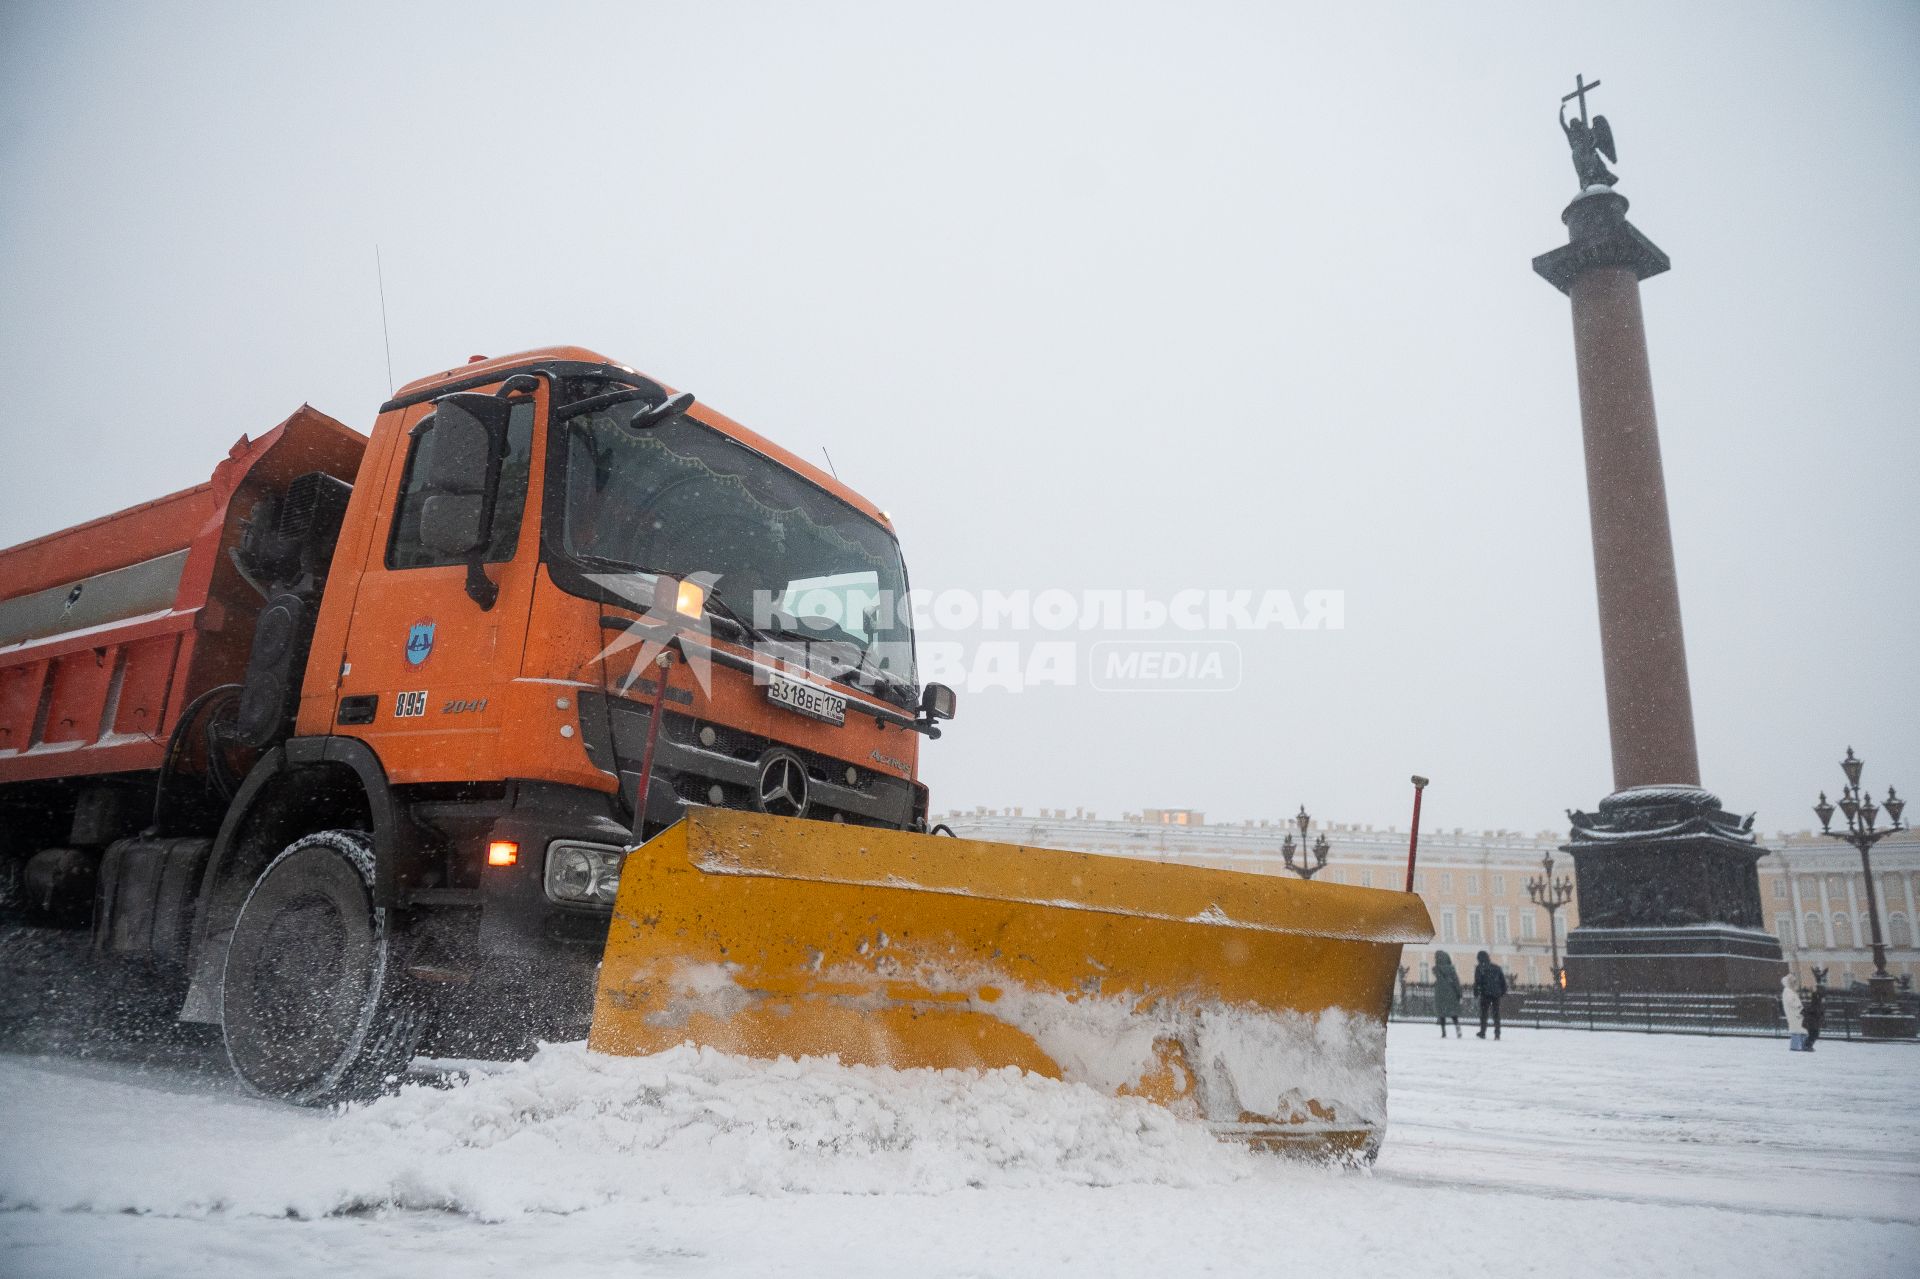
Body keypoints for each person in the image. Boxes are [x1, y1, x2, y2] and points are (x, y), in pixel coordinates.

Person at [1472, 950, 1507, 1039]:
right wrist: (1501, 992)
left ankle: (1483, 1032)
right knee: (1496, 1014)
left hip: (1485, 994)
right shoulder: (1496, 967)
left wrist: (1476, 992)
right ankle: (1497, 1033)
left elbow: (1477, 982)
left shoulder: (1479, 968)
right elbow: (1503, 982)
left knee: (1484, 1014)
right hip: (1496, 994)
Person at [1432, 951, 1464, 1038]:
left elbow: (1436, 976)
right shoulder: (1451, 969)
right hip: (1451, 994)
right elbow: (1456, 982)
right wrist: (1459, 994)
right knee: (1453, 1014)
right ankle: (1458, 1029)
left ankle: (1443, 1032)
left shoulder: (1436, 969)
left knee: (1442, 1014)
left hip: (1440, 995)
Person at [1782, 973, 1808, 1051]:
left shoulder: (1789, 991)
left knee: (1800, 1030)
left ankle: (1803, 1045)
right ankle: (1797, 1046)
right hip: (1794, 1014)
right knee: (1797, 1030)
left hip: (1796, 1014)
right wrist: (1798, 1005)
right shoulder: (1788, 991)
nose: (1794, 984)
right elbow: (1790, 1001)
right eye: (1793, 982)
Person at [1804, 980, 1825, 1051]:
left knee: (1814, 1034)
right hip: (1812, 1021)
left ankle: (1808, 1045)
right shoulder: (1815, 1000)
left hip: (1814, 1021)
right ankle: (1807, 1045)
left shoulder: (1818, 1001)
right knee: (1814, 1034)